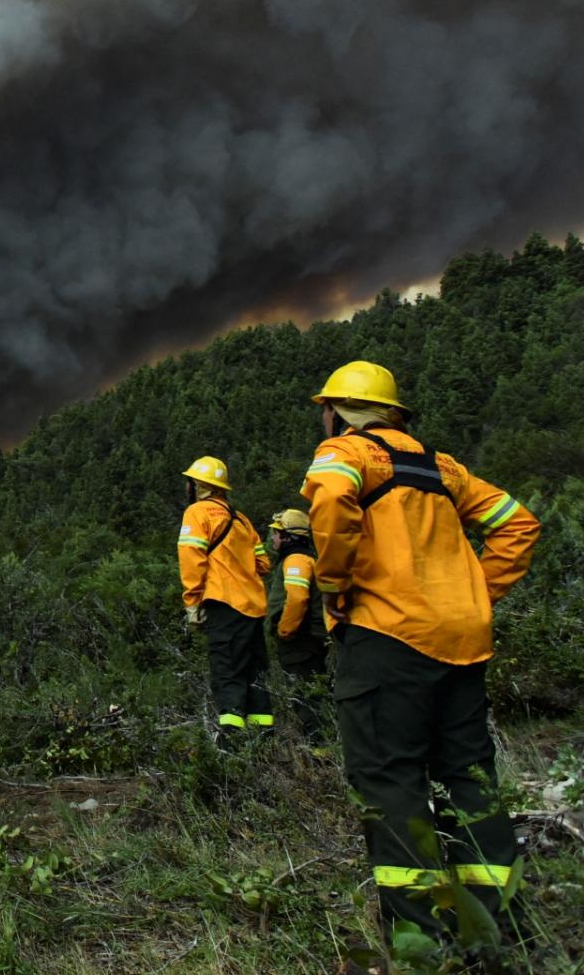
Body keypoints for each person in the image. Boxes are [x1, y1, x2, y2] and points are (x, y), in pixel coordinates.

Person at [300, 360, 541, 943]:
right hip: (462, 642)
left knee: (391, 782)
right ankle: (499, 932)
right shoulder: (444, 467)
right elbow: (519, 524)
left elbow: (330, 499)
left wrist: (333, 585)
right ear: (394, 413)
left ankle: (421, 946)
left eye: (325, 410)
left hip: (386, 637)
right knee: (470, 777)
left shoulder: (346, 453)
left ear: (337, 412)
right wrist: (474, 592)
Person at [176, 456, 274, 735]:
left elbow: (192, 560)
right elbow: (263, 563)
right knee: (255, 673)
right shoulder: (241, 519)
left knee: (227, 671)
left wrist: (192, 603)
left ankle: (233, 742)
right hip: (252, 607)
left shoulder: (197, 513)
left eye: (190, 482)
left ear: (198, 485)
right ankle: (263, 738)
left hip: (224, 603)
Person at [266, 508, 331, 739]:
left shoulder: (296, 560)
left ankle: (319, 747)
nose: (273, 538)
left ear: (288, 537)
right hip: (308, 639)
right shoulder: (305, 558)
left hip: (301, 641)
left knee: (306, 696)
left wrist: (285, 631)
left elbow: (297, 598)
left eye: (276, 533)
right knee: (312, 693)